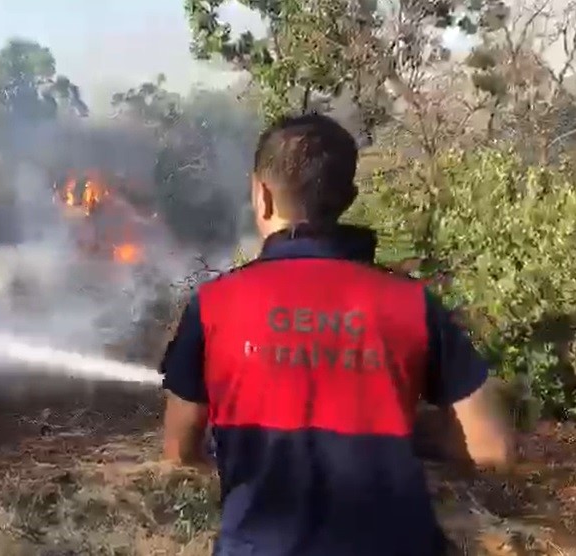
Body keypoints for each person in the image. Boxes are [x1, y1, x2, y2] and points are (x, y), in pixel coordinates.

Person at [160, 113, 514, 556]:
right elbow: (491, 446)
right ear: (347, 197)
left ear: (261, 195)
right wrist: (402, 429)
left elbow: (178, 448)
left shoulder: (214, 304)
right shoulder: (412, 304)